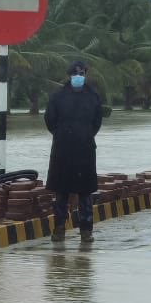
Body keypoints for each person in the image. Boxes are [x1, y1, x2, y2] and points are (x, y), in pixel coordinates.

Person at [45, 59, 104, 242]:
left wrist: (85, 134)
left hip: (85, 150)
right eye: (75, 74)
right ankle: (59, 229)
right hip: (62, 150)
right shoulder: (57, 96)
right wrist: (62, 134)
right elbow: (50, 120)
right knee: (61, 193)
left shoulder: (93, 96)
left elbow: (97, 121)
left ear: (85, 75)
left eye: (81, 74)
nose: (78, 77)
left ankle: (86, 231)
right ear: (69, 76)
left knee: (85, 193)